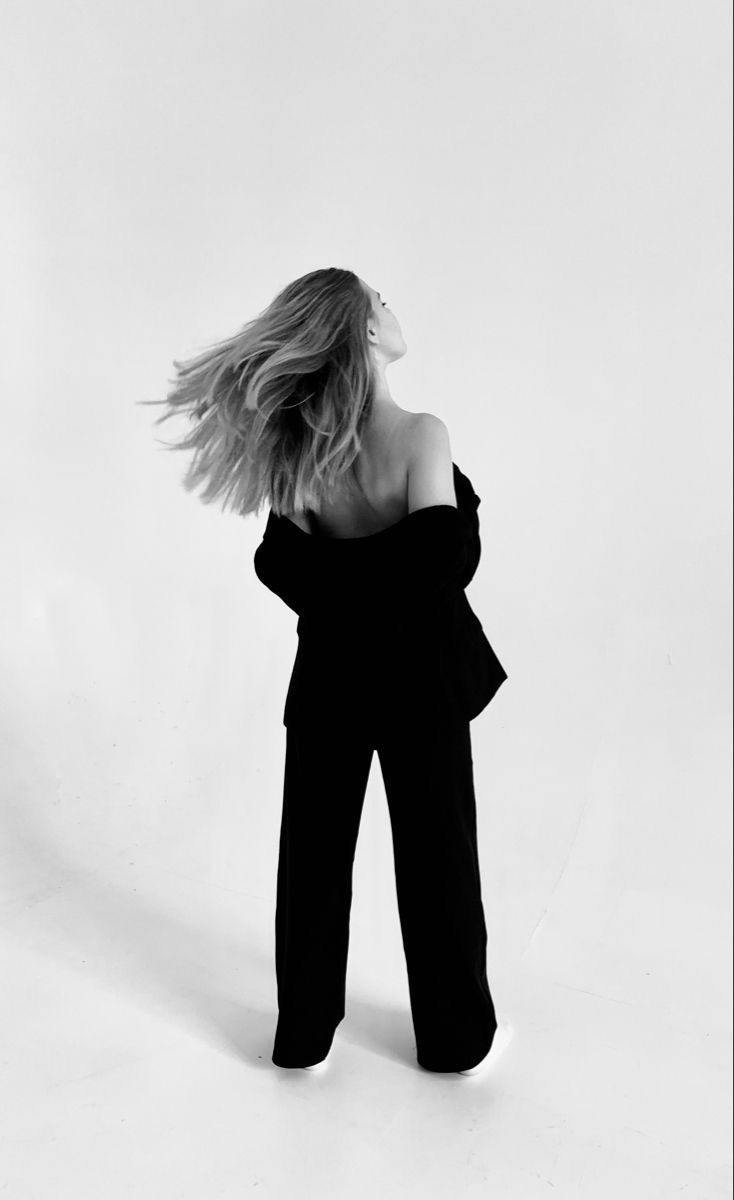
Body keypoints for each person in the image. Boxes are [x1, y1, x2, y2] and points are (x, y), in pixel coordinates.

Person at [140, 267, 509, 1073]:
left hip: (331, 683)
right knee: (439, 860)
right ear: (366, 331)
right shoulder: (422, 436)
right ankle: (454, 1037)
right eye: (382, 298)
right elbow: (442, 562)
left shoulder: (299, 457)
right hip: (420, 686)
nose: (392, 303)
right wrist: (406, 566)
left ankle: (303, 1033)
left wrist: (346, 589)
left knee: (311, 864)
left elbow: (288, 568)